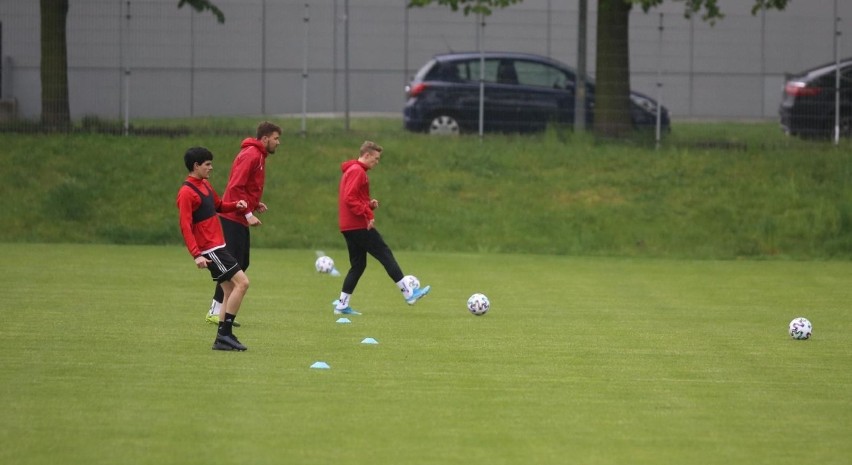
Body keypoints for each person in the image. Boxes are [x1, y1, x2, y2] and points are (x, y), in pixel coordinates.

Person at [333, 140, 431, 315]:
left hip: (348, 226)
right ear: (367, 155)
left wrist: (368, 204)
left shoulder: (353, 170)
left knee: (358, 265)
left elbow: (354, 197)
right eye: (376, 158)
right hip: (357, 225)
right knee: (384, 253)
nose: (377, 162)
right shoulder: (357, 171)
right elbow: (349, 198)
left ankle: (341, 305)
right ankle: (409, 293)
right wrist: (368, 214)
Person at [205, 121, 282, 325]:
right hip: (233, 218)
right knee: (232, 267)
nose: (278, 142)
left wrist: (254, 204)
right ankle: (216, 311)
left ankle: (219, 310)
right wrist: (248, 213)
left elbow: (247, 188)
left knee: (242, 263)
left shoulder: (258, 156)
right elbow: (236, 187)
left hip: (239, 216)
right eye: (276, 138)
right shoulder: (251, 155)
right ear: (264, 139)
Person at [176, 147, 250, 351]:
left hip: (218, 245)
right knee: (242, 283)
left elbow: (218, 205)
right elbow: (185, 225)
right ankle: (225, 334)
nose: (211, 167)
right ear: (196, 166)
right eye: (207, 164)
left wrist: (236, 205)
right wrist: (196, 255)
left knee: (228, 290)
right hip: (210, 249)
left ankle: (222, 338)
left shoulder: (205, 185)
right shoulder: (186, 192)